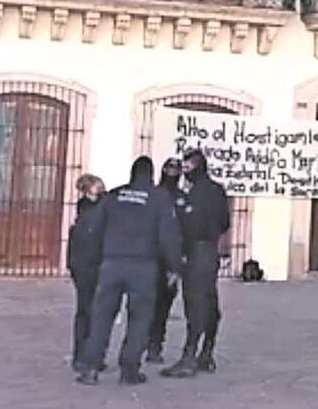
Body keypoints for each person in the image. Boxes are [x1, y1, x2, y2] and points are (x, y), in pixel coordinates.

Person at [75, 157, 183, 386]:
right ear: (151, 174)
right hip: (143, 267)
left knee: (101, 317)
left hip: (112, 264)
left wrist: (96, 261)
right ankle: (129, 370)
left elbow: (95, 230)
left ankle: (91, 368)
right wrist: (174, 267)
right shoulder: (159, 198)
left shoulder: (114, 196)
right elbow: (168, 235)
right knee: (140, 319)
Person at [162, 148, 230, 378]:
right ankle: (207, 353)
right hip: (210, 252)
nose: (184, 172)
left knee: (196, 305)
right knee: (210, 302)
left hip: (196, 253)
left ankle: (189, 356)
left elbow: (186, 226)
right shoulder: (218, 191)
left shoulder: (195, 195)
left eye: (188, 167)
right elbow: (225, 222)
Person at [146, 158, 185, 363]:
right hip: (150, 257)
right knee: (146, 304)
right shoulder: (153, 196)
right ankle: (142, 342)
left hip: (170, 260)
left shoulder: (181, 198)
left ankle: (155, 345)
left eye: (175, 169)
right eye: (169, 168)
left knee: (162, 307)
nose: (172, 172)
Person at [68, 174, 107, 372]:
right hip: (86, 266)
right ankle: (84, 355)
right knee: (87, 311)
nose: (101, 189)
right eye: (97, 186)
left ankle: (90, 355)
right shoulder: (87, 209)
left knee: (94, 311)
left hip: (92, 264)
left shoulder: (98, 207)